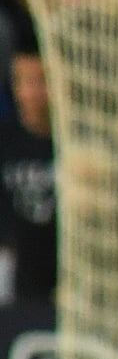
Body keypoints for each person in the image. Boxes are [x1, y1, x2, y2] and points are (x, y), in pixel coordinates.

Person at [0, 45, 56, 308]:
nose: (33, 92)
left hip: (66, 264)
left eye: (41, 81)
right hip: (12, 263)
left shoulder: (78, 143)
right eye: (25, 82)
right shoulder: (6, 140)